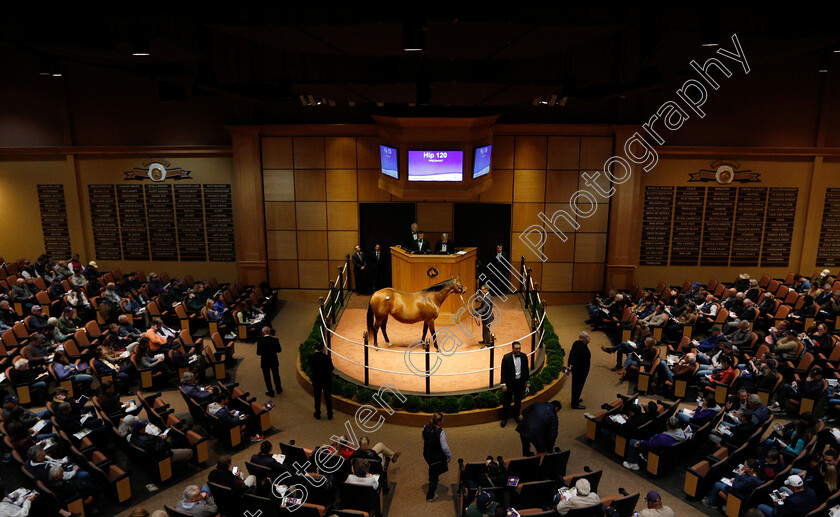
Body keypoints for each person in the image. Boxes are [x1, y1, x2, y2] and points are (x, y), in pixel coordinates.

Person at [128, 419, 194, 464]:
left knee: (170, 433)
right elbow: (160, 450)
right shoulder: (145, 440)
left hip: (154, 450)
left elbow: (152, 443)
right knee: (190, 452)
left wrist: (157, 437)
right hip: (163, 457)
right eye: (144, 427)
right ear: (140, 430)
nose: (145, 427)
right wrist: (163, 438)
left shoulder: (133, 437)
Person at [422, 412, 451, 502]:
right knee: (435, 475)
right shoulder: (441, 432)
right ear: (438, 421)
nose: (443, 422)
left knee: (432, 468)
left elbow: (423, 438)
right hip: (436, 457)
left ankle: (431, 476)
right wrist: (449, 456)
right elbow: (444, 447)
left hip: (426, 454)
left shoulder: (425, 427)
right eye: (442, 420)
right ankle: (430, 496)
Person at [500, 341, 530, 427]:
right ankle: (504, 418)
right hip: (510, 383)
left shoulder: (524, 356)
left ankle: (516, 416)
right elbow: (503, 372)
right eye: (517, 348)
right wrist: (503, 384)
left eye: (519, 348)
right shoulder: (506, 358)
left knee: (518, 401)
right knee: (507, 401)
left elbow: (526, 371)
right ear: (512, 348)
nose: (518, 350)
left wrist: (527, 382)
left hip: (519, 383)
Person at [308, 340, 333, 420]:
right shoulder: (327, 358)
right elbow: (331, 368)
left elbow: (311, 368)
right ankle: (329, 413)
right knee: (328, 397)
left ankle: (317, 413)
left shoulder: (311, 358)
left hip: (317, 380)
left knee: (317, 397)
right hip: (326, 380)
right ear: (322, 348)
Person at [567, 331, 591, 409]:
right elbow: (582, 363)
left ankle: (575, 399)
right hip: (580, 372)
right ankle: (574, 404)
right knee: (578, 387)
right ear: (583, 339)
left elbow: (571, 355)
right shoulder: (583, 349)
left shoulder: (576, 343)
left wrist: (570, 365)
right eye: (587, 337)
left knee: (576, 387)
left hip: (575, 370)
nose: (589, 338)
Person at [256, 326, 282, 396]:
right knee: (276, 375)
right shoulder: (275, 340)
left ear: (263, 333)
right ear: (269, 332)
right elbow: (279, 350)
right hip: (274, 360)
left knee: (267, 377)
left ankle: (270, 391)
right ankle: (279, 389)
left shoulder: (260, 341)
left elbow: (258, 353)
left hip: (265, 361)